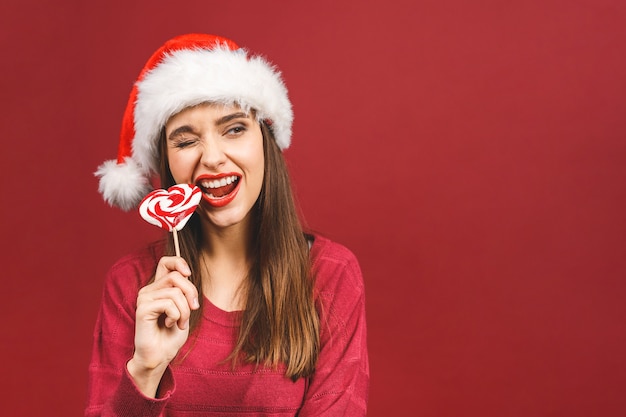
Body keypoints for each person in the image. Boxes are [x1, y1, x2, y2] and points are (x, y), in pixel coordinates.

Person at [86, 33, 369, 416]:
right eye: (185, 142)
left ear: (265, 140)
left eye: (234, 129)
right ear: (167, 164)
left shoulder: (331, 275)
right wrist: (146, 369)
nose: (213, 158)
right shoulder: (132, 286)